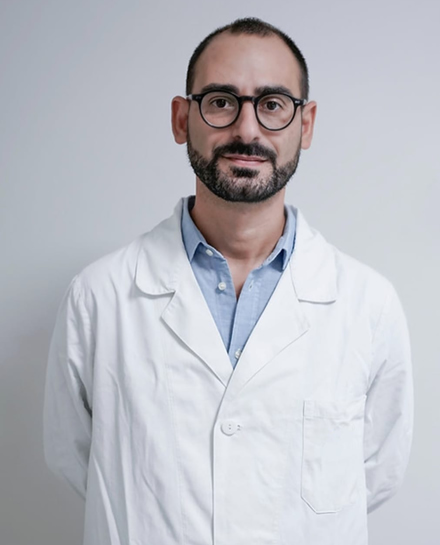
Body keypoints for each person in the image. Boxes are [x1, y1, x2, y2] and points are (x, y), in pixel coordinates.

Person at [44, 17, 413, 545]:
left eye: (272, 104)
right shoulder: (99, 297)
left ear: (306, 125)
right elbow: (74, 458)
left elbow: (376, 471)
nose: (246, 130)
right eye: (221, 102)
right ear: (181, 119)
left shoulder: (368, 305)